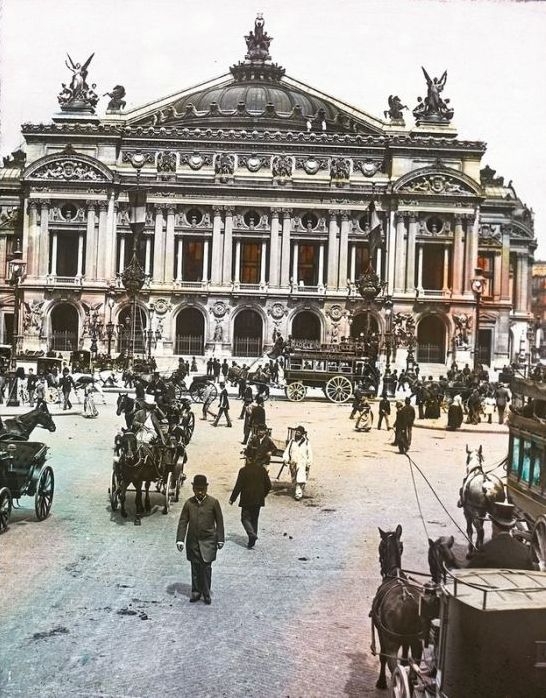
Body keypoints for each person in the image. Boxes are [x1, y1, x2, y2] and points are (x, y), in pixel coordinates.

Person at [176, 475, 225, 604]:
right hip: (193, 542)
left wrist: (220, 539)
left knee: (206, 567)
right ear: (193, 488)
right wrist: (180, 539)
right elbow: (183, 521)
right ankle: (196, 591)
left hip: (209, 541)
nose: (200, 492)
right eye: (197, 489)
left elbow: (219, 522)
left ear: (206, 488)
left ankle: (206, 592)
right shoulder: (189, 503)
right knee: (195, 567)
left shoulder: (213, 502)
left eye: (202, 489)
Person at [467, 502, 534, 570]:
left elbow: (469, 572)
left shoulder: (486, 549)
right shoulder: (524, 550)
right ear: (511, 526)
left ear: (494, 525)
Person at [229, 452, 272, 548]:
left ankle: (251, 534)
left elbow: (238, 486)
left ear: (248, 459)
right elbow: (269, 486)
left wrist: (232, 499)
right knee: (254, 519)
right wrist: (262, 495)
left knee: (244, 518)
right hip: (258, 500)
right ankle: (252, 541)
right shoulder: (262, 470)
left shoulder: (243, 471)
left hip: (246, 499)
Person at [282, 426, 313, 501]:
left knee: (300, 478)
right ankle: (297, 489)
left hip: (302, 463)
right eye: (296, 432)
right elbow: (287, 451)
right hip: (293, 462)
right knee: (294, 478)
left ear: (302, 434)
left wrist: (309, 463)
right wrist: (286, 459)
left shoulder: (306, 442)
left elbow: (310, 453)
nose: (297, 433)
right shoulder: (292, 441)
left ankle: (298, 494)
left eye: (299, 432)